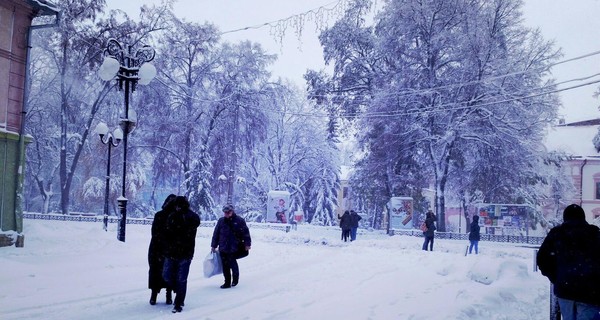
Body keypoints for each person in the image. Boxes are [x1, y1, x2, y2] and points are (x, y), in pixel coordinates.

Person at [537, 204, 600, 320]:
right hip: (590, 292)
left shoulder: (556, 234)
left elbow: (542, 259)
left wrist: (557, 277)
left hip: (565, 291)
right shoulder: (594, 233)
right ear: (583, 217)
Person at [162, 196, 200, 313]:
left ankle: (178, 303)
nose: (177, 207)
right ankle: (178, 294)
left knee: (180, 279)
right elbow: (167, 233)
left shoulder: (189, 217)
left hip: (184, 253)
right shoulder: (173, 216)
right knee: (169, 276)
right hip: (174, 252)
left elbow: (190, 227)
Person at [211, 204, 252, 289]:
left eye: (228, 212)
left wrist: (247, 244)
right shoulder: (221, 221)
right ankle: (227, 282)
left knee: (232, 264)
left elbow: (246, 233)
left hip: (234, 247)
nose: (226, 214)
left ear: (232, 211)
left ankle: (235, 279)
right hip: (223, 247)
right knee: (225, 266)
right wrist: (213, 245)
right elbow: (216, 233)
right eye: (225, 212)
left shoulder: (239, 221)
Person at [147, 194, 176, 305]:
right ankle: (167, 295)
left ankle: (155, 295)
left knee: (157, 272)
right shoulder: (174, 217)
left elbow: (154, 232)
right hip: (165, 249)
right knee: (167, 272)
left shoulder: (160, 215)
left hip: (157, 248)